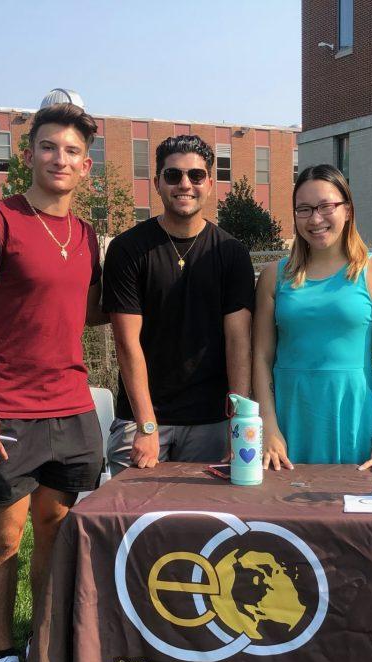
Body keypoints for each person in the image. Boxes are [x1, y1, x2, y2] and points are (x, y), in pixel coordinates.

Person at [0, 103, 107, 662]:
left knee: (56, 532)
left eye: (71, 151)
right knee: (4, 536)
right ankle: (1, 656)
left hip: (72, 408)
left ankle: (43, 638)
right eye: (48, 147)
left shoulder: (87, 234)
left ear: (85, 164)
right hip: (9, 407)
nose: (59, 159)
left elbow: (86, 310)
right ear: (30, 153)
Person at [102, 134, 253, 473]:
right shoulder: (128, 250)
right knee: (130, 522)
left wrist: (238, 423)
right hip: (142, 419)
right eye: (173, 175)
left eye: (196, 175)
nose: (185, 184)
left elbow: (238, 341)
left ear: (210, 183)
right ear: (157, 182)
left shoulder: (231, 253)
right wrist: (146, 425)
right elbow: (127, 343)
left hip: (211, 422)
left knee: (204, 523)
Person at [252, 164, 372, 471]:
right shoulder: (273, 277)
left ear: (347, 210)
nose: (315, 219)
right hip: (287, 419)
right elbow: (260, 357)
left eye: (326, 206)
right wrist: (267, 428)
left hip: (352, 415)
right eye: (304, 209)